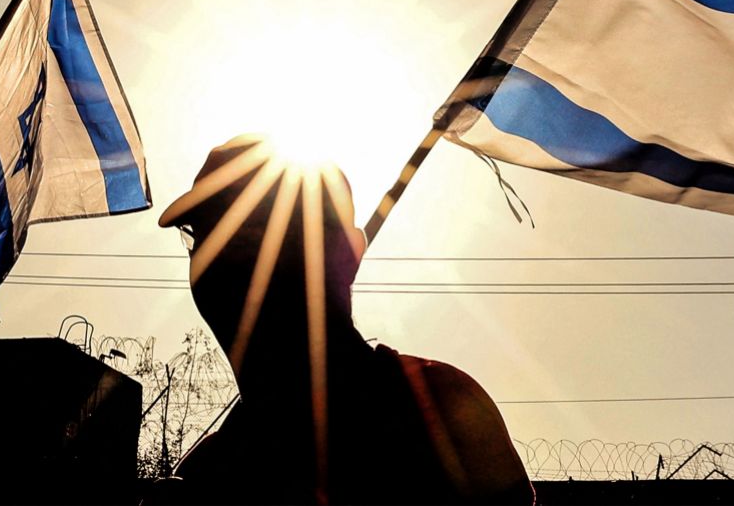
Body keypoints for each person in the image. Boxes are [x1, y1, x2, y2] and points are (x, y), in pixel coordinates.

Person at [151, 135, 534, 505]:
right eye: (200, 236)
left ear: (345, 256)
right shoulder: (211, 473)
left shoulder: (439, 411)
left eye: (252, 233)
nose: (220, 261)